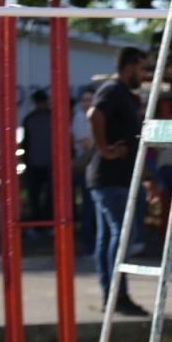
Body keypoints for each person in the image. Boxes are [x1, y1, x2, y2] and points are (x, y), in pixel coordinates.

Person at [86, 46, 149, 317]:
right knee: (124, 236)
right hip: (110, 179)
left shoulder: (124, 95)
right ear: (130, 66)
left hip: (114, 179)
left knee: (108, 240)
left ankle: (110, 296)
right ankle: (117, 295)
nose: (144, 75)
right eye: (142, 68)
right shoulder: (112, 90)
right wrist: (104, 149)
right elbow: (94, 115)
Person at [22, 89, 53, 224]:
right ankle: (36, 224)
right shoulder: (29, 119)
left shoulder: (52, 117)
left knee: (50, 197)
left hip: (50, 163)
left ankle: (49, 222)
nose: (41, 105)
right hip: (34, 163)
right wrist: (26, 161)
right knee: (34, 195)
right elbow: (26, 143)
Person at [71, 87, 96, 254]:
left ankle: (89, 243)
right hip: (85, 166)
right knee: (88, 207)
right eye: (84, 100)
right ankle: (88, 244)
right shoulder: (80, 118)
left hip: (90, 165)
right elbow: (86, 144)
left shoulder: (92, 117)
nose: (87, 103)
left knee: (91, 206)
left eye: (90, 99)